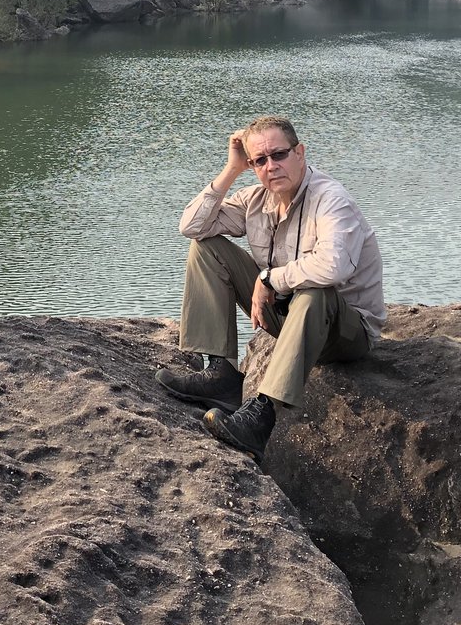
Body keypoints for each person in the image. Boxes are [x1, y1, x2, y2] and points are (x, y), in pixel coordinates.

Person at [156, 116, 385, 462]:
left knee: (315, 290)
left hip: (343, 332)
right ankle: (221, 374)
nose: (271, 166)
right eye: (259, 161)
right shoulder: (255, 199)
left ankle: (261, 417)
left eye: (278, 155)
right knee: (206, 248)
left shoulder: (331, 199)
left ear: (300, 152)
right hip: (286, 315)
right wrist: (232, 170)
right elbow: (192, 226)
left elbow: (333, 267)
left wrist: (268, 280)